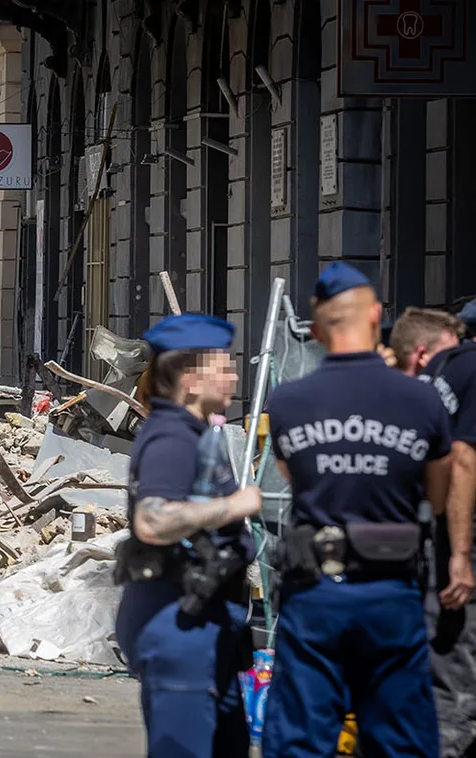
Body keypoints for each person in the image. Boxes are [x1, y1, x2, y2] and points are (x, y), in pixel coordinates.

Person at [260, 263, 463, 757]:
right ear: (375, 315)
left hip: (314, 592)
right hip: (390, 590)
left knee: (302, 739)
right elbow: (436, 497)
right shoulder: (421, 399)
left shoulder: (287, 401)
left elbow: (294, 477)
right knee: (398, 739)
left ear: (316, 325)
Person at [112, 313, 262, 758]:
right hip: (177, 622)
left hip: (206, 623)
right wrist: (232, 506)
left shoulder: (197, 434)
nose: (234, 375)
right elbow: (152, 521)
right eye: (224, 365)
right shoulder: (172, 438)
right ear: (192, 380)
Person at [391, 306, 476, 756]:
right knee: (454, 640)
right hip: (452, 530)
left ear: (421, 353)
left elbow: (457, 458)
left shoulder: (437, 380)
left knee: (446, 642)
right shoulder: (461, 370)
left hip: (430, 530)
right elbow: (461, 458)